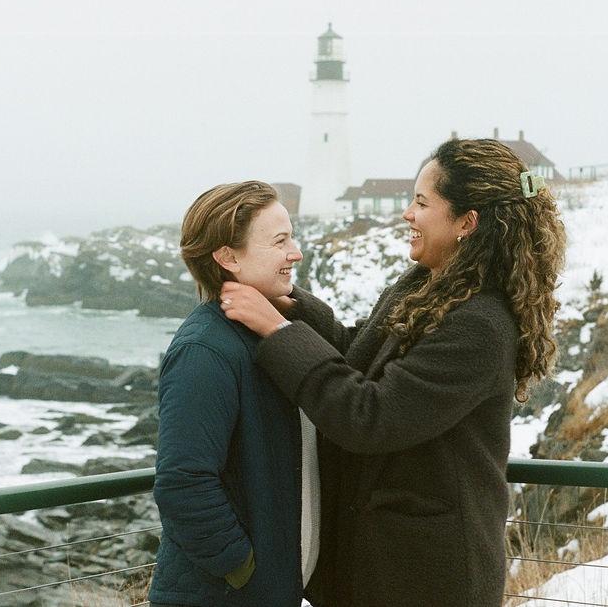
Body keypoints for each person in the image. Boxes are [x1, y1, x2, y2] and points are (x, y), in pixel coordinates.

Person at [220, 138, 566, 607]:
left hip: (427, 578)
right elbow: (357, 356)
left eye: (422, 202)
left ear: (467, 222)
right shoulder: (429, 284)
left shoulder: (480, 324)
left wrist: (276, 330)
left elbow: (370, 415)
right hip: (385, 567)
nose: (407, 214)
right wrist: (291, 307)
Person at [148, 181, 320, 607]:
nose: (295, 252)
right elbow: (183, 481)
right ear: (228, 257)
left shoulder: (270, 333)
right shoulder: (204, 350)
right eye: (280, 241)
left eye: (292, 237)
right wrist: (240, 568)